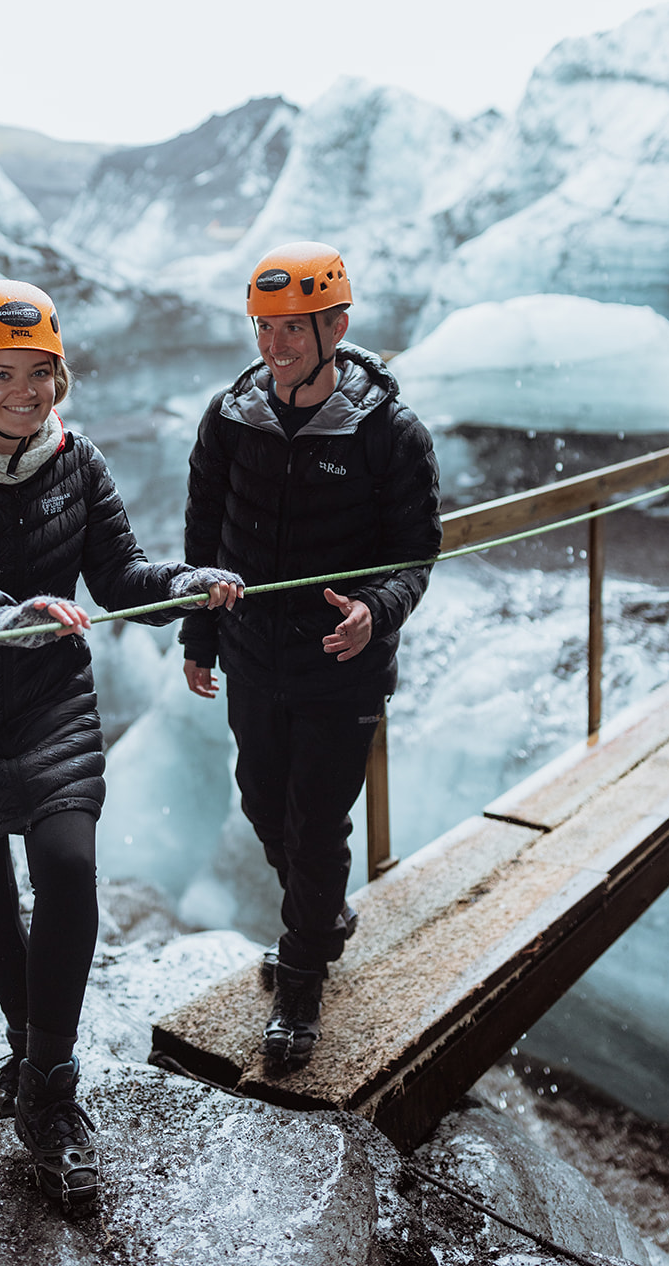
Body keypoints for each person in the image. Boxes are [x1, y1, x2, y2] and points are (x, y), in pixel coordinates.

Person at [0, 279, 240, 1208]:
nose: (27, 393)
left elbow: (119, 576)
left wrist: (183, 582)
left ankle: (49, 1087)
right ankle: (30, 1055)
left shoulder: (77, 462)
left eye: (41, 373)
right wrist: (1, 615)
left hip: (47, 705)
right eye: (4, 375)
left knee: (69, 867)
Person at [180, 242, 441, 1069]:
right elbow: (202, 538)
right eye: (262, 327)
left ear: (337, 323)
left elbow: (414, 554)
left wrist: (375, 610)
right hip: (254, 656)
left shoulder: (388, 433)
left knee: (316, 824)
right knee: (262, 803)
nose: (273, 346)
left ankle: (300, 986)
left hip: (341, 667)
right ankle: (322, 923)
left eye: (292, 328)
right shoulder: (230, 417)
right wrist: (198, 635)